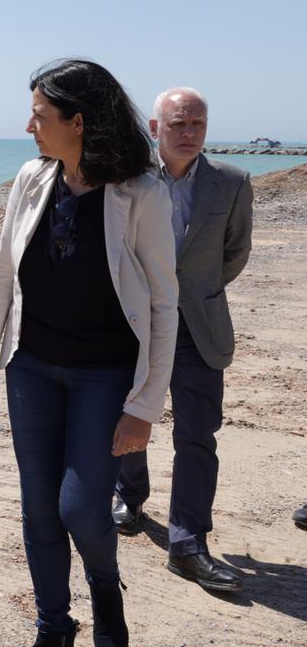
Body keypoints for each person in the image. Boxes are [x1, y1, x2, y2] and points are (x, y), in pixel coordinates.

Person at [0, 60, 177, 646]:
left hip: (105, 376)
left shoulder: (142, 194)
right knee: (38, 509)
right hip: (31, 368)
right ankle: (53, 626)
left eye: (39, 115)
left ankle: (107, 596)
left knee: (82, 508)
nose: (29, 126)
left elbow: (164, 307)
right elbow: (1, 275)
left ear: (78, 121)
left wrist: (144, 405)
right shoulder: (31, 178)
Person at [113, 88, 253, 593]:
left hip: (199, 327)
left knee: (197, 435)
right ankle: (129, 496)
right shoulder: (128, 178)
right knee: (129, 416)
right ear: (155, 128)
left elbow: (234, 252)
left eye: (198, 124)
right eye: (178, 124)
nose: (189, 133)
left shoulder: (232, 183)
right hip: (135, 325)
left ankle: (188, 543)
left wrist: (195, 293)